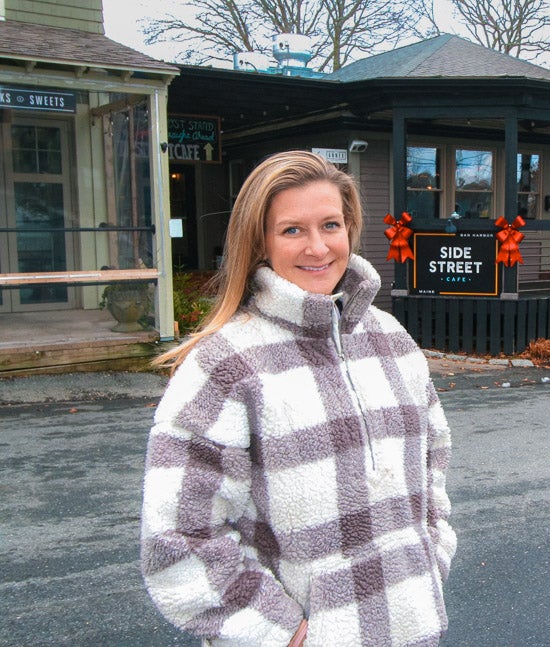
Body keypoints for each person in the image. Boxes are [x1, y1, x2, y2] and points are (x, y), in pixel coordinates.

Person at [141, 150, 457, 646]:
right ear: (260, 242)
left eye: (330, 225)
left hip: (412, 631)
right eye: (292, 230)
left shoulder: (391, 340)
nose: (317, 247)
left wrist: (431, 558)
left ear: (350, 228)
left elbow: (432, 464)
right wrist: (282, 632)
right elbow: (180, 537)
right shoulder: (224, 363)